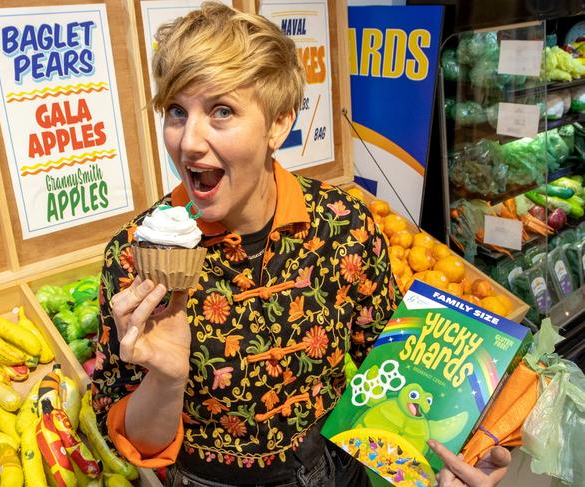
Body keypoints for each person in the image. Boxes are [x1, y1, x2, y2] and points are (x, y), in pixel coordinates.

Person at [92, 3, 512, 486]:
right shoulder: (135, 256)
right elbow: (138, 443)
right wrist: (166, 381)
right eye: (177, 111)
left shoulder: (343, 224)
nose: (188, 142)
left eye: (221, 111)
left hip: (329, 469)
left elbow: (395, 369)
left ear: (278, 123)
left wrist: (452, 460)